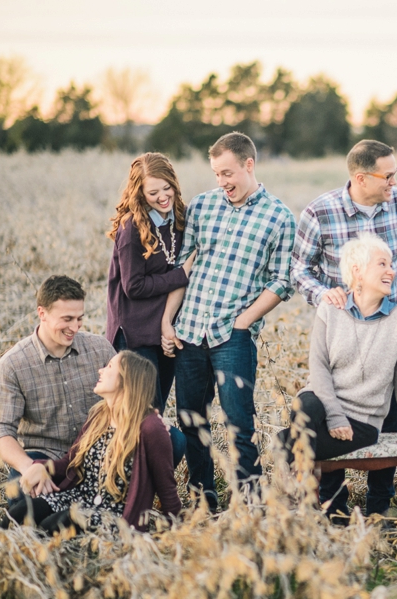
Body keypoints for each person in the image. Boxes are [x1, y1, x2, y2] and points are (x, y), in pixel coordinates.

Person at [290, 139, 397, 519]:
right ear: (361, 177)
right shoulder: (321, 211)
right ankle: (334, 508)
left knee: (392, 416)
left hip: (391, 325)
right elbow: (300, 269)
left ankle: (379, 510)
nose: (394, 182)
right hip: (343, 324)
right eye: (389, 175)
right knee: (324, 402)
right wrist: (324, 296)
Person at [161, 132, 296, 510]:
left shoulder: (279, 217)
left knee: (239, 426)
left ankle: (250, 506)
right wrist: (167, 322)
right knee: (192, 423)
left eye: (227, 173)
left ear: (249, 165)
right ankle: (204, 502)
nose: (222, 182)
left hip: (232, 338)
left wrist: (244, 321)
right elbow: (182, 267)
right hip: (189, 332)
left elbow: (282, 280)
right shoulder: (203, 207)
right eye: (217, 174)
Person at [279, 233, 397, 521]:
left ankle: (304, 509)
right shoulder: (330, 309)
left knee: (288, 442)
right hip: (323, 407)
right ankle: (323, 510)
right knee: (306, 406)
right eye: (383, 264)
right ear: (357, 271)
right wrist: (335, 416)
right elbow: (319, 367)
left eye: (392, 264)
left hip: (363, 422)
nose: (392, 270)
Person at [3, 351, 182, 533]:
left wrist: (173, 537)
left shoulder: (149, 428)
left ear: (127, 379)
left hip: (113, 514)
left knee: (51, 527)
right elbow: (70, 462)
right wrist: (41, 467)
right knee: (18, 514)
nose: (100, 371)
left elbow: (167, 488)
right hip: (76, 497)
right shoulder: (99, 415)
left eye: (110, 366)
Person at [0, 275, 117, 497]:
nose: (74, 327)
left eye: (79, 319)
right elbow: (2, 431)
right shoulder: (13, 365)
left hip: (99, 449)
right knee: (22, 497)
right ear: (42, 314)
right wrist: (28, 467)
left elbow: (128, 396)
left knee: (172, 439)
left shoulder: (100, 349)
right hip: (45, 456)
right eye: (67, 319)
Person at [105, 152, 189, 467]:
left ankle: (148, 480)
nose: (162, 197)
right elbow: (133, 287)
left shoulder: (178, 218)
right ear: (139, 192)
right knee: (140, 416)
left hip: (162, 329)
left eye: (166, 188)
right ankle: (124, 479)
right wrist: (181, 275)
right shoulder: (131, 228)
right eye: (153, 193)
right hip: (135, 333)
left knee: (156, 411)